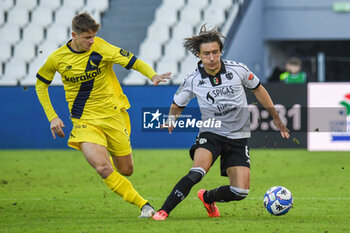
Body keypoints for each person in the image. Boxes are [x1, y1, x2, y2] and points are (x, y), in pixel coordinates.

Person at [35, 12, 171, 218]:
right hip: (84, 122)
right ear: (74, 35)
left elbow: (133, 61)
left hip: (113, 116)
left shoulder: (101, 47)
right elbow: (40, 84)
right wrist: (52, 116)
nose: (92, 41)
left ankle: (114, 163)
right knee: (102, 167)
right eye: (87, 37)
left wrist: (152, 74)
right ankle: (144, 205)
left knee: (126, 170)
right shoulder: (57, 58)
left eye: (93, 36)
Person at [152, 25, 290, 220]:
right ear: (199, 55)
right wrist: (171, 120)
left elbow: (258, 89)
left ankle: (208, 197)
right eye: (206, 53)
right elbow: (177, 103)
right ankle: (163, 211)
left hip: (238, 137)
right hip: (211, 133)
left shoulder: (238, 70)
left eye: (215, 52)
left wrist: (275, 116)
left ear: (220, 52)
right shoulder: (192, 80)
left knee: (240, 192)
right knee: (198, 171)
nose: (211, 57)